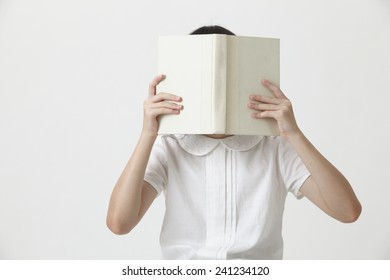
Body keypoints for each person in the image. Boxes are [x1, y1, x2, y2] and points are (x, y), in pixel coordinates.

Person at [106, 25, 362, 259]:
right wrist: (147, 134)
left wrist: (294, 134)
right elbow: (119, 223)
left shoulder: (273, 146)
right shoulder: (171, 146)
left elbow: (347, 212)